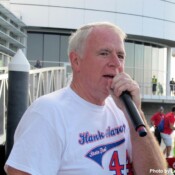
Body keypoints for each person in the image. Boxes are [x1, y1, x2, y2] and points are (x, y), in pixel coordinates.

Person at [5, 22, 167, 175]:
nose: (116, 63)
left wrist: (135, 112)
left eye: (120, 55)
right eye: (104, 53)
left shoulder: (124, 109)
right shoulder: (48, 113)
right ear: (76, 61)